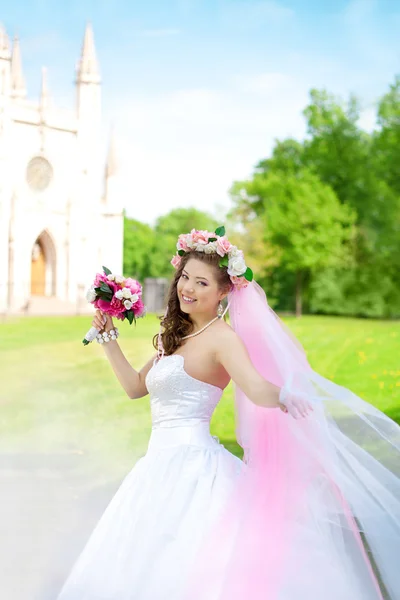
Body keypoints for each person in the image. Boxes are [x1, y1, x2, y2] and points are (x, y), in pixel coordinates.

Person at [56, 228, 400, 600]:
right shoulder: (180, 333)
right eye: (185, 277)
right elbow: (136, 387)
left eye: (201, 282)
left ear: (223, 292)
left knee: (195, 563)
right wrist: (108, 338)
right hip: (157, 465)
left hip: (194, 467)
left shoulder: (223, 338)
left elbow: (255, 386)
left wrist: (283, 394)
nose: (188, 287)